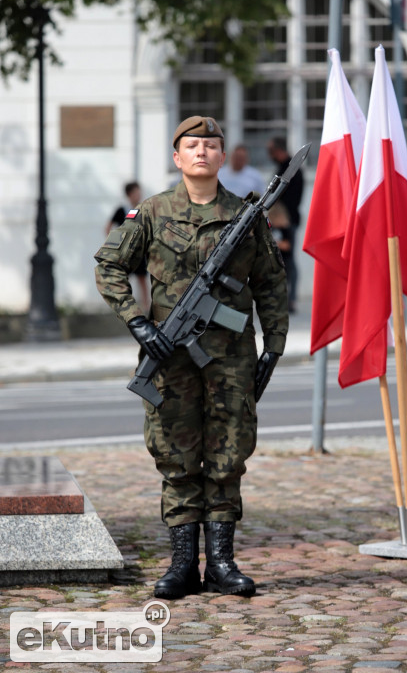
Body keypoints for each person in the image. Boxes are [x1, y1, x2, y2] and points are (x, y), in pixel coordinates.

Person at [94, 116, 288, 600]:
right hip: (170, 357)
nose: (202, 151)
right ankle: (182, 564)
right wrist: (138, 322)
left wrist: (275, 345)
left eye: (211, 144)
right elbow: (109, 266)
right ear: (177, 158)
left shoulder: (247, 217)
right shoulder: (153, 213)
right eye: (191, 145)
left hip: (232, 358)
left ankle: (221, 563)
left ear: (223, 157)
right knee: (176, 458)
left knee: (228, 454)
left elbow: (270, 283)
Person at [267, 137, 304, 313]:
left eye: (272, 152)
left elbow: (290, 198)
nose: (270, 156)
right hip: (278, 220)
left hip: (286, 221)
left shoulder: (292, 169)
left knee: (288, 261)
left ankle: (291, 299)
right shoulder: (284, 168)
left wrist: (281, 217)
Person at [106, 181, 150, 311]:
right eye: (136, 192)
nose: (139, 195)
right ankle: (123, 306)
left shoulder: (142, 209)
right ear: (129, 194)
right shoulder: (123, 210)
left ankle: (146, 306)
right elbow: (108, 228)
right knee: (122, 280)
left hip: (139, 252)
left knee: (142, 279)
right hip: (125, 253)